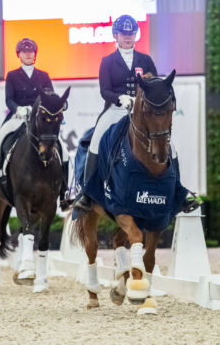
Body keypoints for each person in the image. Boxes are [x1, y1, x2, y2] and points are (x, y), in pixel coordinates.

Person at [74, 15, 181, 212]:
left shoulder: (145, 60)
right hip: (116, 109)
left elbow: (156, 87)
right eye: (124, 34)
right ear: (116, 35)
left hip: (142, 112)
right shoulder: (107, 61)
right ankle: (86, 193)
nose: (128, 37)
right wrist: (119, 98)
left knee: (170, 144)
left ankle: (178, 192)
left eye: (131, 33)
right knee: (97, 138)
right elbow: (104, 90)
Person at [0, 38, 71, 210]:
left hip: (39, 121)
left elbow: (51, 97)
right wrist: (18, 109)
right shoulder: (12, 75)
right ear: (19, 55)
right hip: (17, 118)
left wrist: (60, 103)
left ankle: (64, 193)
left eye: (31, 51)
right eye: (24, 51)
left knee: (63, 151)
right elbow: (9, 99)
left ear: (34, 54)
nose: (28, 54)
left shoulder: (43, 76)